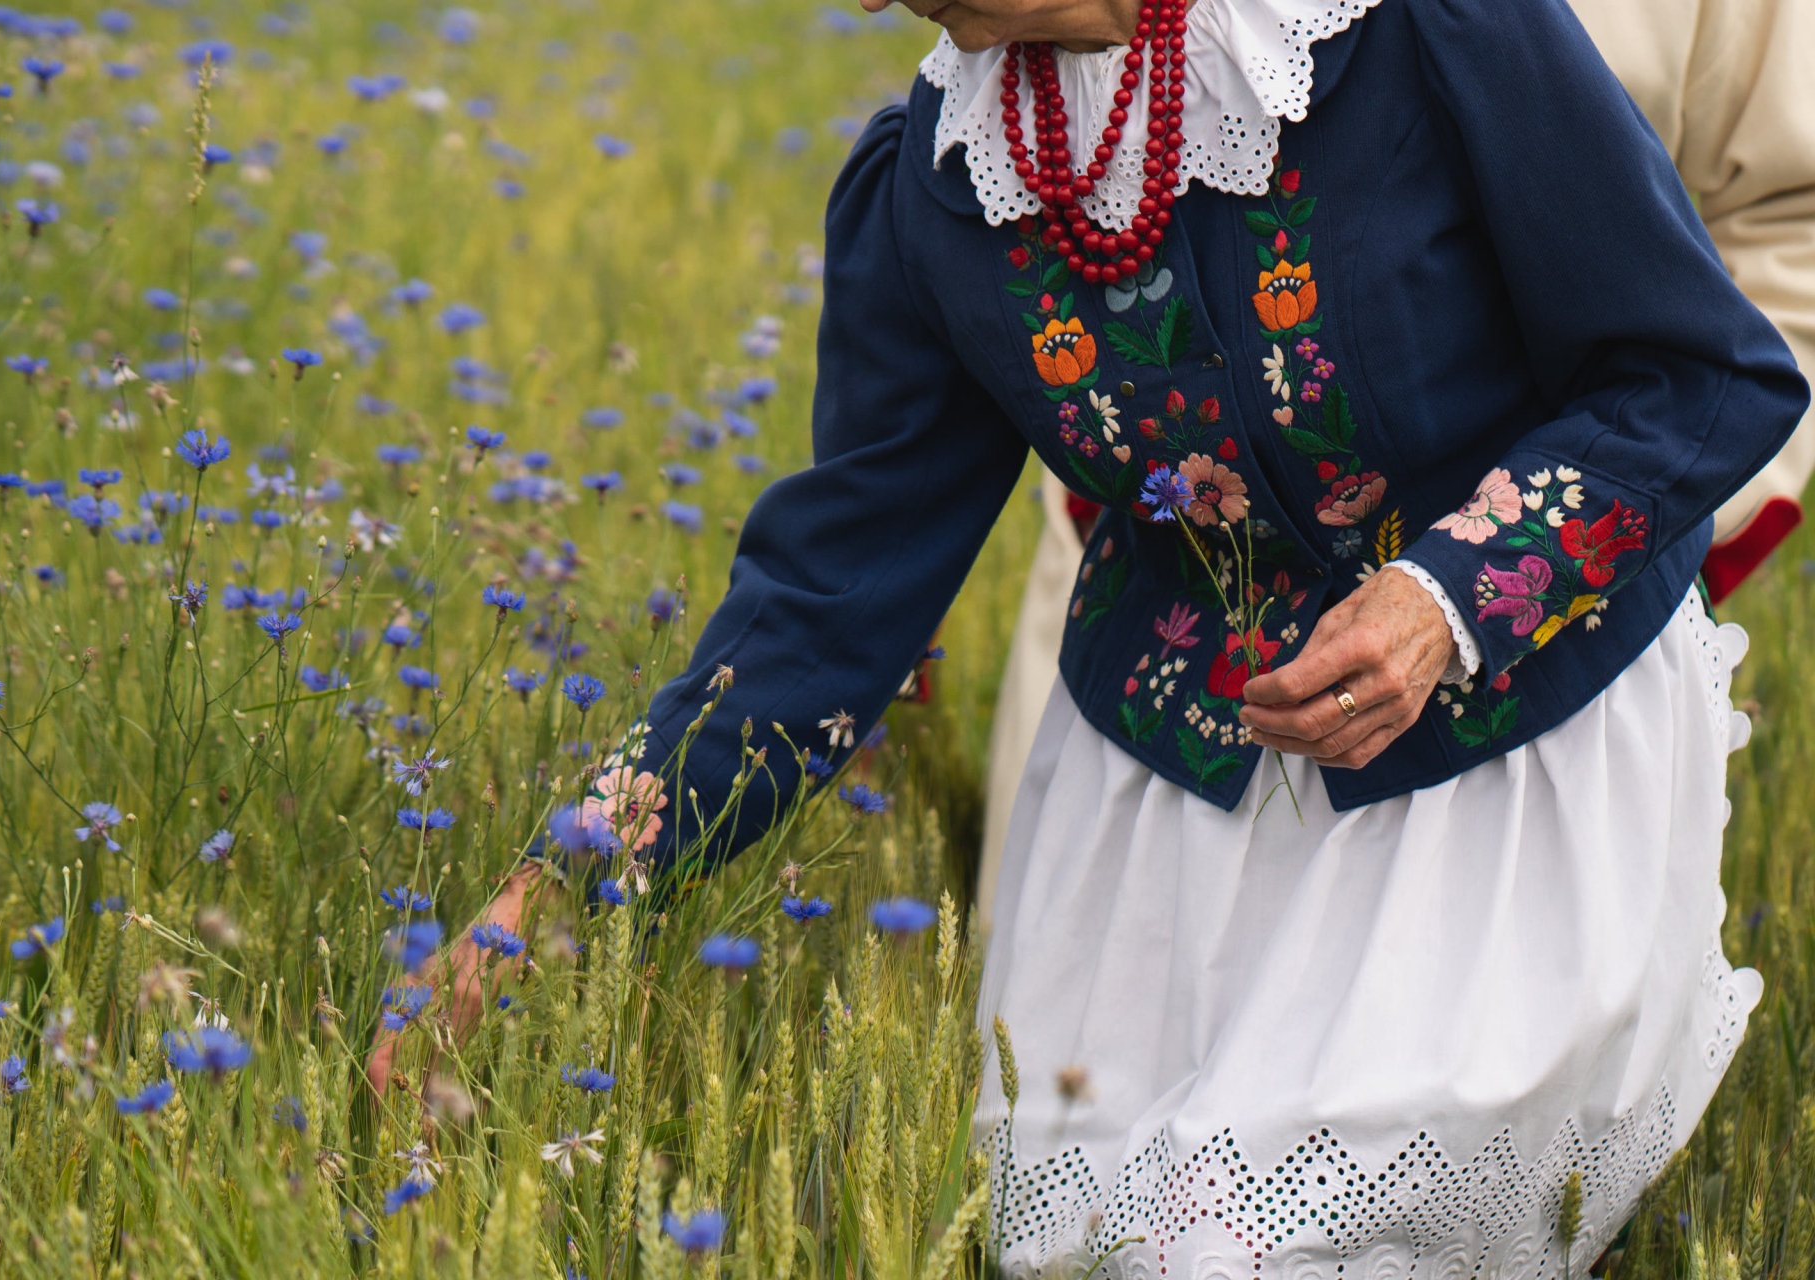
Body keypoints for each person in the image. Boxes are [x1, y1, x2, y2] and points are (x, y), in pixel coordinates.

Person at [386, 0, 1809, 1274]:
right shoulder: (938, 185)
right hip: (1157, 823)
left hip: (1504, 768)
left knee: (1253, 1243)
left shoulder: (1422, 31)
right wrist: (566, 882)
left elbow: (1698, 371)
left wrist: (1445, 595)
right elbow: (830, 598)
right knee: (1104, 1251)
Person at [978, 0, 1815, 916]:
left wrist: (1631, 522)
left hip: (1541, 678)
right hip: (1156, 628)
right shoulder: (964, 113)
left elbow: (1776, 236)